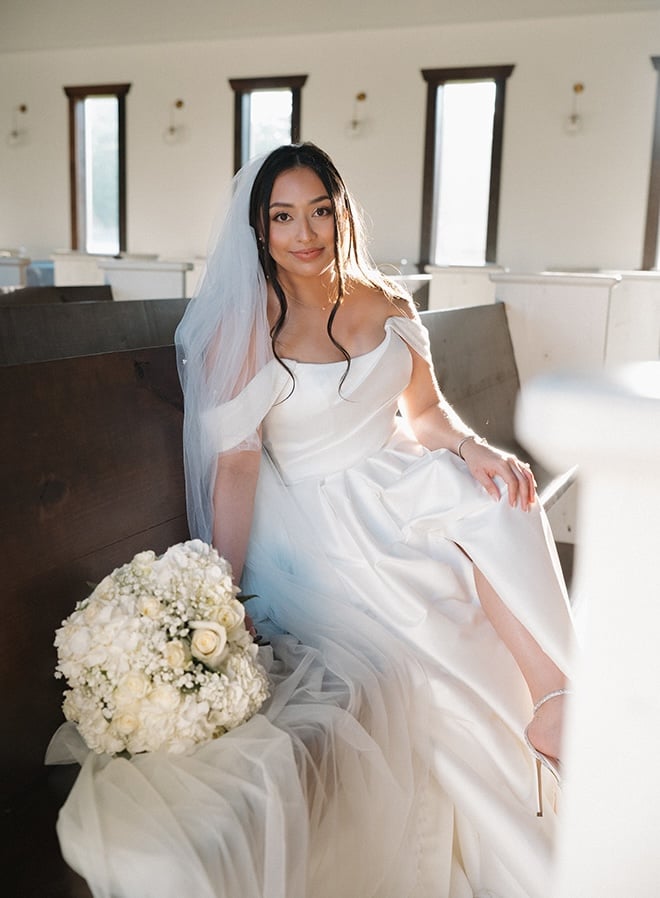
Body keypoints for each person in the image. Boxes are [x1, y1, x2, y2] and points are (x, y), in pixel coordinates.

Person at [52, 143, 577, 898]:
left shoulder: (385, 300)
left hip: (392, 476)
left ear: (341, 212)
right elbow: (236, 466)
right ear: (260, 231)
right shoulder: (252, 326)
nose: (306, 233)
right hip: (316, 522)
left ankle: (552, 701)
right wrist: (222, 592)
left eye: (320, 211)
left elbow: (423, 413)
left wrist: (473, 446)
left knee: (494, 499)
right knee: (434, 619)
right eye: (283, 216)